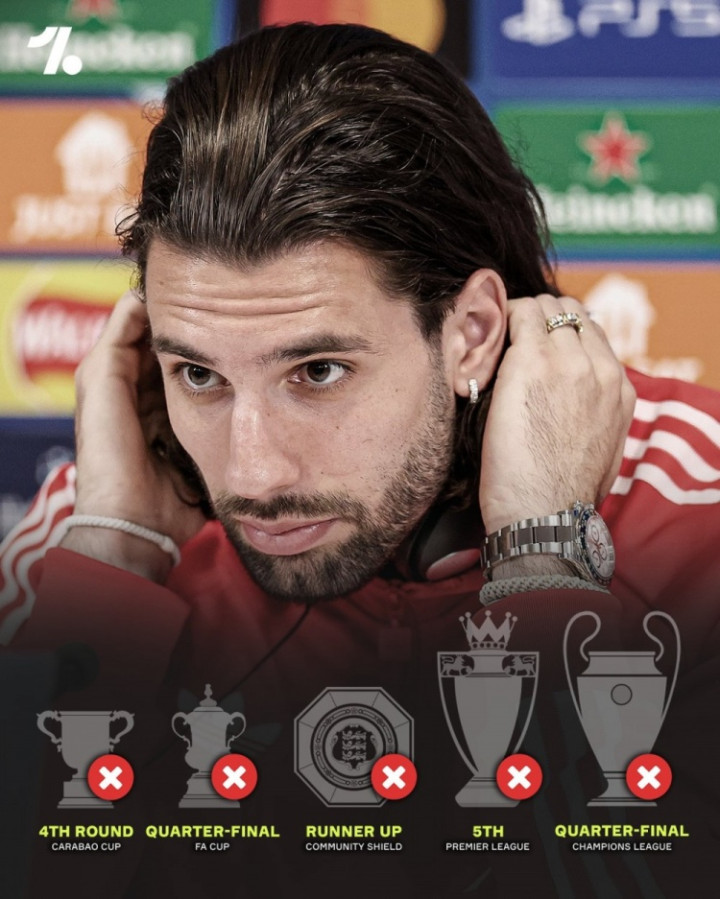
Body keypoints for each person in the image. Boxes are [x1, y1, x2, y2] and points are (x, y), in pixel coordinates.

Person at [2, 23, 720, 899]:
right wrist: (115, 559)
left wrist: (544, 559)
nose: (253, 475)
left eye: (318, 371)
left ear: (471, 333)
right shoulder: (104, 520)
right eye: (200, 373)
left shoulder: (701, 506)